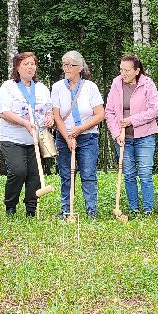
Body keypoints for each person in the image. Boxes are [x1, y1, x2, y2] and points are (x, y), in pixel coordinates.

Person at [0, 51, 54, 218]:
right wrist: (25, 123)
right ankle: (10, 205)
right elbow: (4, 113)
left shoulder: (42, 88)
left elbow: (49, 110)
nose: (30, 67)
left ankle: (31, 208)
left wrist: (50, 118)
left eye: (32, 64)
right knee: (18, 171)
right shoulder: (8, 87)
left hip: (36, 139)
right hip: (13, 139)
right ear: (17, 68)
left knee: (35, 174)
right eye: (25, 64)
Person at [105, 53, 158, 216]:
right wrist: (116, 134)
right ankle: (134, 209)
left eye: (127, 70)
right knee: (129, 174)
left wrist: (132, 120)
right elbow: (109, 112)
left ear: (137, 71)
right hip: (123, 138)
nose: (123, 73)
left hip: (145, 136)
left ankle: (148, 209)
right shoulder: (116, 84)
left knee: (145, 173)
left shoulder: (147, 84)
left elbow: (155, 109)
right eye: (121, 69)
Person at [51, 50, 104, 221]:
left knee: (88, 174)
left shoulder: (90, 87)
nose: (66, 68)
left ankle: (91, 211)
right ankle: (66, 209)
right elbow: (56, 115)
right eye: (64, 64)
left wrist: (80, 130)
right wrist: (67, 137)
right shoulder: (58, 87)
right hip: (64, 136)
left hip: (88, 137)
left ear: (80, 68)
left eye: (70, 65)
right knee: (66, 174)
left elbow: (99, 114)